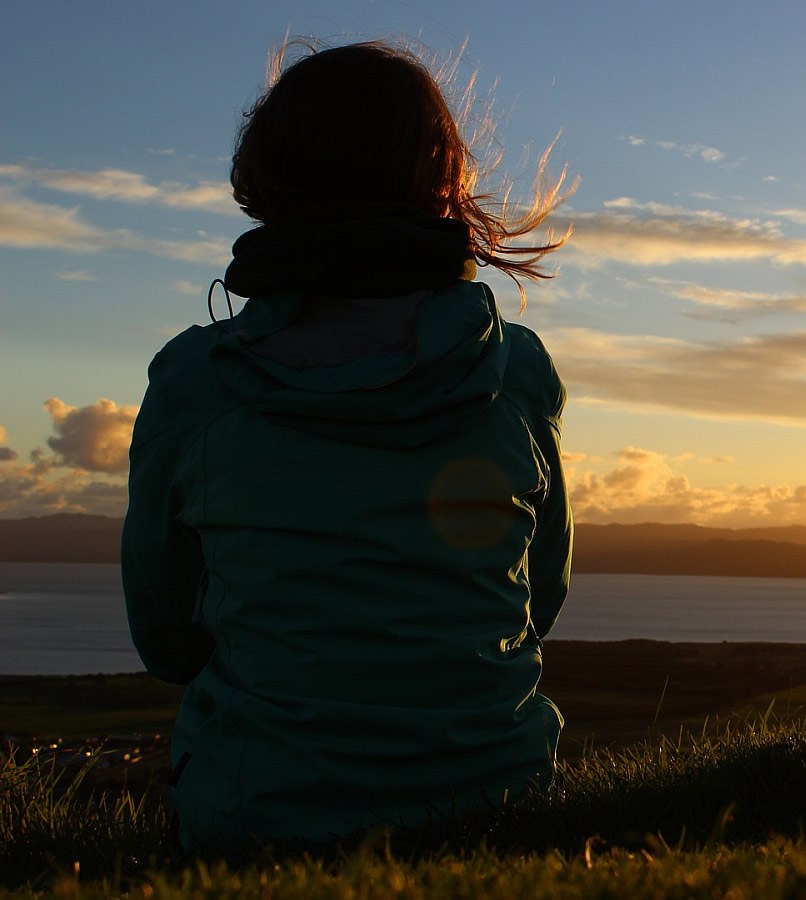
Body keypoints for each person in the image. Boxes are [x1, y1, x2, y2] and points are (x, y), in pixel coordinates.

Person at [121, 40, 573, 853]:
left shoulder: (197, 382)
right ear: (444, 181)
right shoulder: (516, 371)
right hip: (502, 811)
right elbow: (538, 602)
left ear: (267, 179)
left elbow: (165, 636)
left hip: (255, 821)